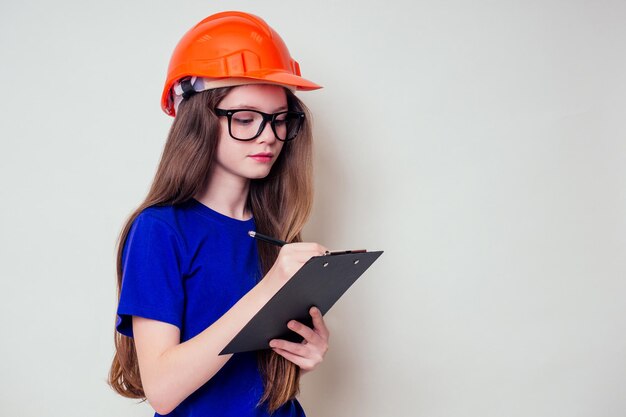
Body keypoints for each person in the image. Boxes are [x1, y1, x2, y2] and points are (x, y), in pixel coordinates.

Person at [108, 11, 330, 417]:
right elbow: (162, 388)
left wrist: (306, 351)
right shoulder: (160, 230)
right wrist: (266, 293)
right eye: (245, 119)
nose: (269, 135)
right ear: (197, 121)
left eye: (281, 121)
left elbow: (259, 374)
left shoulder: (275, 231)